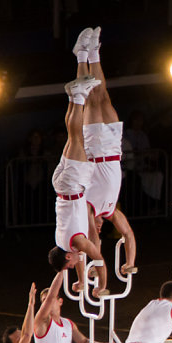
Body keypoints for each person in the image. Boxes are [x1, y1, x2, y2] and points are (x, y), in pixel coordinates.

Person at [72, 26, 136, 274]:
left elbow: (94, 243)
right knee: (104, 96)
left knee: (89, 97)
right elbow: (129, 235)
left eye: (94, 229)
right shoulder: (111, 211)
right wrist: (129, 263)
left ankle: (80, 55)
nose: (97, 228)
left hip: (94, 149)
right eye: (99, 228)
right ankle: (95, 51)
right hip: (112, 147)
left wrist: (94, 273)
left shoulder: (87, 208)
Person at [46, 73, 110, 297]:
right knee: (72, 138)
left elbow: (98, 258)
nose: (73, 266)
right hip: (61, 187)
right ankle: (75, 96)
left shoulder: (77, 243)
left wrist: (101, 286)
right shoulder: (62, 242)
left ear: (66, 257)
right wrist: (82, 282)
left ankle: (79, 96)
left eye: (69, 266)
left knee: (77, 137)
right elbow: (81, 258)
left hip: (72, 186)